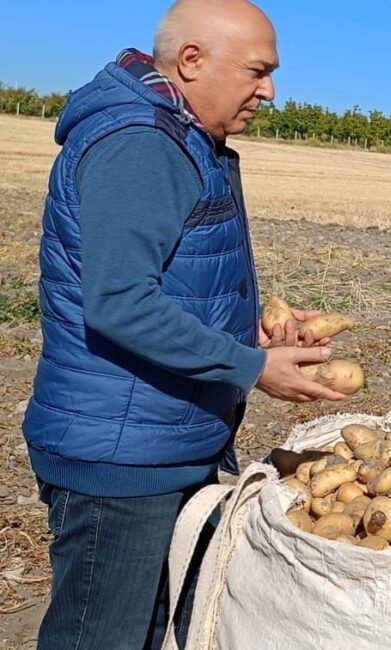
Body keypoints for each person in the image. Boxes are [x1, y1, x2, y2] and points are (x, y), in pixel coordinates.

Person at [21, 1, 345, 647]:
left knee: (150, 628)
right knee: (103, 635)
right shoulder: (143, 142)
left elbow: (165, 279)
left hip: (157, 441)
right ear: (192, 61)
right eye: (258, 71)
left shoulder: (182, 135)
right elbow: (119, 301)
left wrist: (247, 328)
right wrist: (251, 368)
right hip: (120, 459)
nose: (270, 90)